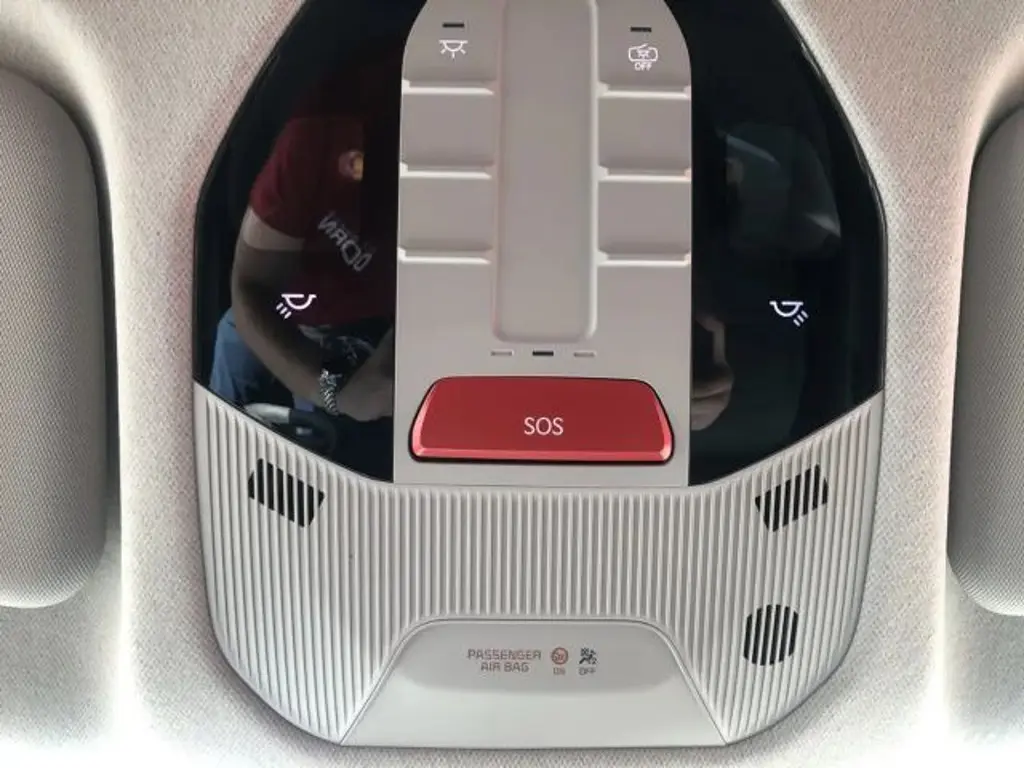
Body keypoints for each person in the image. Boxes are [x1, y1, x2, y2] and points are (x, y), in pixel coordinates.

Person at [209, 41, 404, 479]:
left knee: (320, 451)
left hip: (366, 334)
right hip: (280, 308)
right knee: (231, 345)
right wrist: (334, 392)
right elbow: (249, 289)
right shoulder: (326, 128)